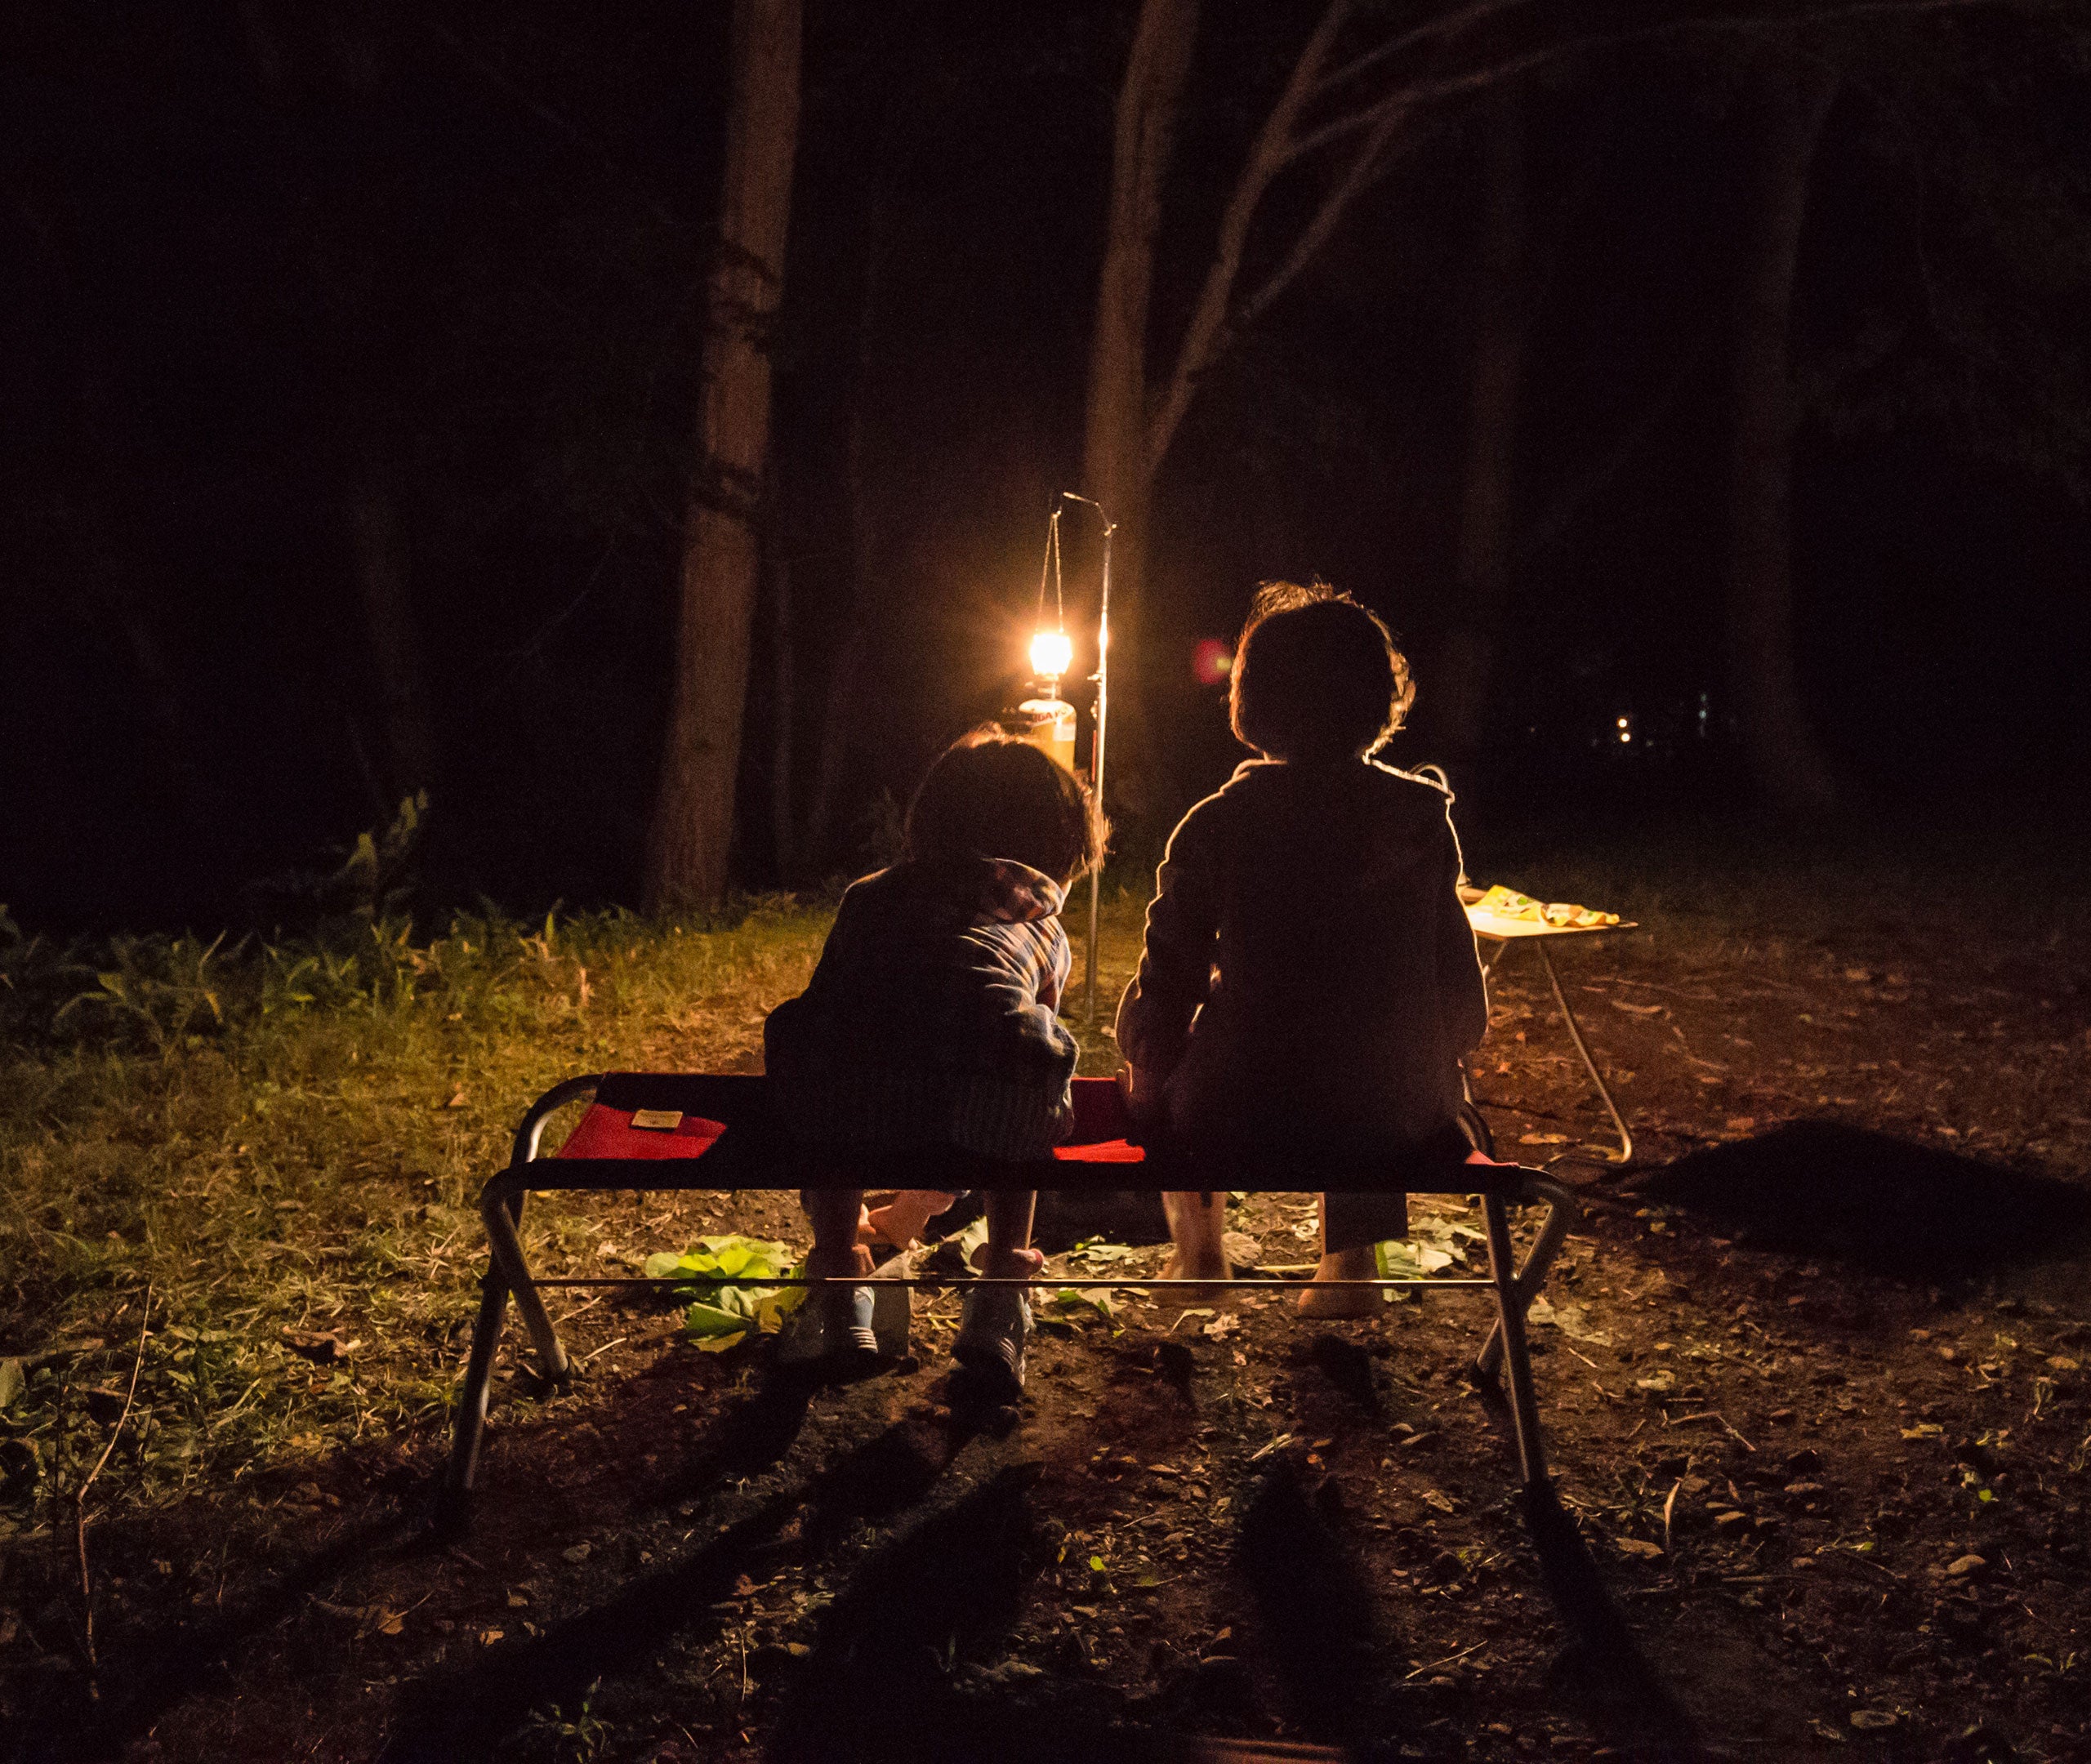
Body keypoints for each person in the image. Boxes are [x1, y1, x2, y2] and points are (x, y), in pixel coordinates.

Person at [1116, 582, 1488, 1316]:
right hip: (1396, 1120)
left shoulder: (1218, 823)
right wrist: (1434, 1063)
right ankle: (1351, 1266)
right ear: (1382, 698)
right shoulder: (1420, 821)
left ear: (1253, 702)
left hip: (1242, 1106)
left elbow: (1167, 982)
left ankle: (1201, 1255)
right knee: (1372, 1046)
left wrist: (1147, 1077)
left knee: (1173, 1055)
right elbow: (1458, 991)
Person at [763, 732, 1104, 1394]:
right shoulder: (1043, 927)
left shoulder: (869, 897)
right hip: (983, 1120)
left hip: (845, 1112)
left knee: (832, 1051)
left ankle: (840, 1275)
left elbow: (834, 1000)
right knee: (1018, 1065)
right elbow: (1014, 1059)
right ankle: (1002, 1294)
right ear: (1060, 845)